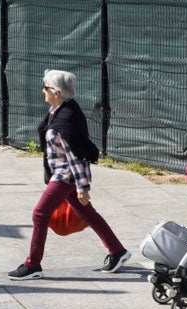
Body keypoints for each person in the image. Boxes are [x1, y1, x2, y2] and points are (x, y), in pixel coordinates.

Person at [9, 70, 130, 279]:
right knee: (87, 213)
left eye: (45, 88)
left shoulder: (66, 120)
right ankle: (117, 251)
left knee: (39, 214)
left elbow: (77, 156)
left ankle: (32, 265)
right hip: (61, 173)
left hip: (65, 176)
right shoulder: (60, 109)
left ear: (56, 92)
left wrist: (83, 188)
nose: (42, 91)